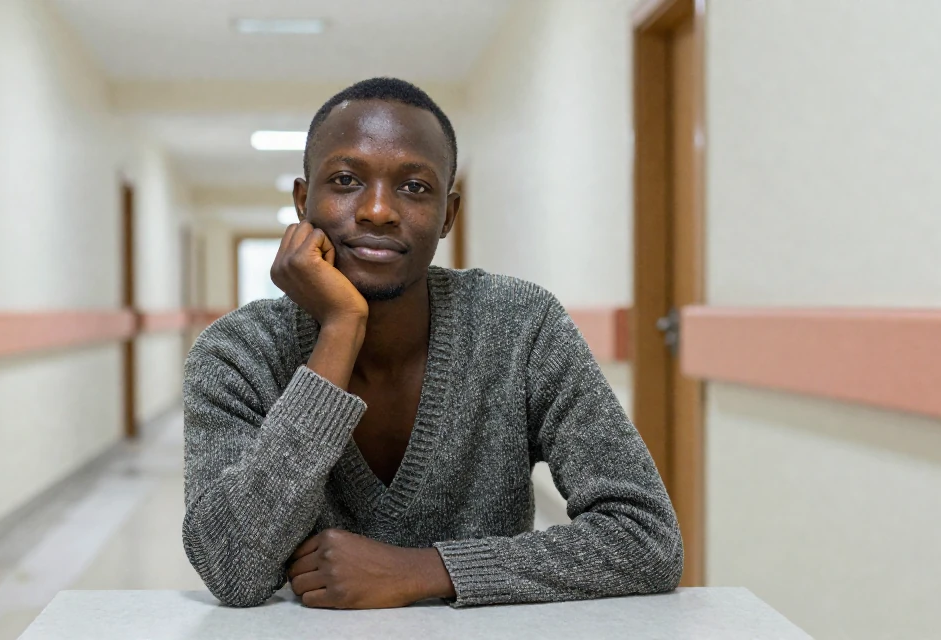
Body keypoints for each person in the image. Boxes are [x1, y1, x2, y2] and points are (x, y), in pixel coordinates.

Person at [182, 77, 683, 609]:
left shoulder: (521, 327)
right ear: (305, 202)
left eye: (415, 187)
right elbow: (229, 567)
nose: (378, 210)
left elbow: (645, 538)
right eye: (347, 179)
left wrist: (425, 569)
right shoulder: (235, 353)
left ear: (448, 214)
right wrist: (341, 328)